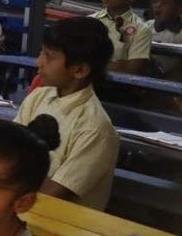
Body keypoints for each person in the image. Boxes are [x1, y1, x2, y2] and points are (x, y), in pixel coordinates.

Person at [14, 18, 118, 209]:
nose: (39, 62)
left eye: (50, 56)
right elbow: (8, 153)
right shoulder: (39, 96)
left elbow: (54, 194)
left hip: (56, 224)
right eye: (41, 52)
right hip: (20, 206)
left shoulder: (96, 128)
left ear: (79, 70)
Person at [89, 0, 152, 75]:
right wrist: (116, 65)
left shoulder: (141, 30)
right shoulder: (90, 21)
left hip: (118, 88)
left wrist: (93, 63)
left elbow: (132, 70)